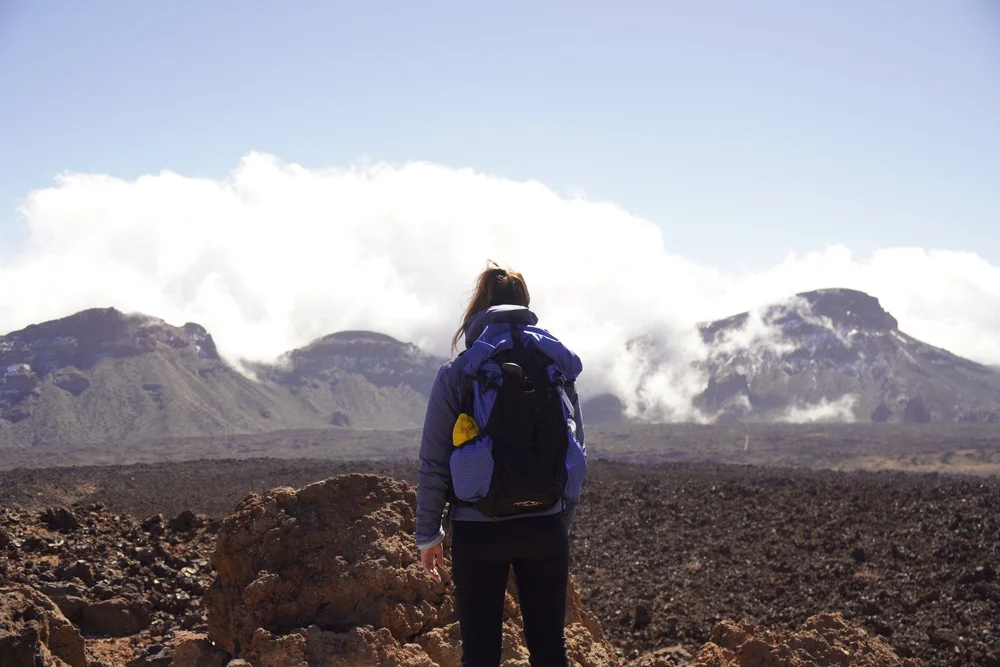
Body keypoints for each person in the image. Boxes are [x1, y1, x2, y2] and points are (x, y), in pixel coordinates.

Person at [414, 261, 586, 667]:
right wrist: (558, 517)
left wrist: (428, 534)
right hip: (545, 525)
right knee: (550, 650)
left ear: (479, 307)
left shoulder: (461, 371)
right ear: (524, 306)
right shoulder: (554, 363)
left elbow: (434, 460)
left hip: (479, 530)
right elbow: (576, 448)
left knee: (481, 655)